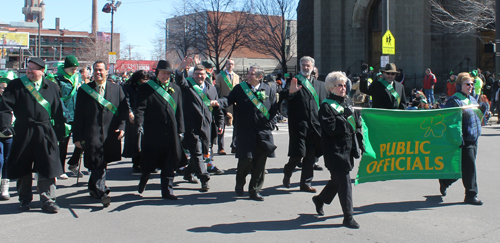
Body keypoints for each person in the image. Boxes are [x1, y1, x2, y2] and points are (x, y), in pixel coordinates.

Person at [0, 57, 66, 213]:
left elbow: (58, 111)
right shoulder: (16, 85)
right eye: (28, 67)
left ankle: (48, 200)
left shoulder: (51, 87)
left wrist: (60, 133)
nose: (29, 70)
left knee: (47, 166)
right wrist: (5, 126)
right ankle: (24, 199)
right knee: (23, 166)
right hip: (24, 130)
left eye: (33, 68)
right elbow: (4, 107)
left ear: (42, 71)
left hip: (45, 130)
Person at [213, 65, 278, 201]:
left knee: (260, 163)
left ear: (260, 77)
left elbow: (273, 109)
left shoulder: (268, 89)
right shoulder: (240, 88)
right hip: (245, 131)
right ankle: (240, 182)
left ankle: (254, 190)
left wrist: (271, 124)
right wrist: (219, 102)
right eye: (248, 73)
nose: (248, 76)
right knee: (246, 160)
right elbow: (228, 99)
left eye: (252, 74)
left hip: (263, 132)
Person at [73, 61, 128, 207]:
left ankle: (93, 187)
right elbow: (78, 115)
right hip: (92, 133)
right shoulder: (84, 90)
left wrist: (122, 127)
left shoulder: (117, 89)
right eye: (96, 70)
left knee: (102, 161)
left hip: (111, 133)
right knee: (98, 162)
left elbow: (123, 110)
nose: (98, 72)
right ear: (93, 72)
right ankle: (102, 190)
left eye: (101, 70)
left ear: (106, 71)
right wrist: (77, 136)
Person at [311, 71, 362, 229]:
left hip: (347, 148)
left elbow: (356, 124)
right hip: (335, 151)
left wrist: (359, 135)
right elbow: (331, 129)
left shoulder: (346, 101)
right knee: (345, 183)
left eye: (344, 85)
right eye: (338, 85)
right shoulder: (326, 106)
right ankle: (348, 216)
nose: (343, 88)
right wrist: (345, 120)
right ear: (331, 88)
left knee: (337, 181)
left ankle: (320, 200)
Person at [135, 60, 185, 200]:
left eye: (168, 73)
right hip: (153, 133)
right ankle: (144, 178)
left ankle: (167, 191)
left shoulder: (176, 89)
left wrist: (180, 130)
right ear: (157, 73)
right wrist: (139, 124)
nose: (166, 76)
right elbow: (140, 109)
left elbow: (179, 111)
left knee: (169, 163)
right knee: (149, 162)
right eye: (163, 73)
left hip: (170, 133)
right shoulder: (146, 88)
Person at [175, 57, 224, 192]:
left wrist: (220, 122)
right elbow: (179, 80)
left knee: (201, 153)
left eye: (202, 74)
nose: (199, 76)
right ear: (193, 75)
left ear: (206, 75)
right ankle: (204, 179)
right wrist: (180, 69)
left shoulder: (211, 89)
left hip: (206, 126)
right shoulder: (188, 85)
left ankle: (187, 173)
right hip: (191, 126)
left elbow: (217, 108)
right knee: (196, 152)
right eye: (196, 73)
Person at [282, 56, 328, 193]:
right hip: (298, 125)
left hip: (315, 126)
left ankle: (306, 183)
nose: (305, 67)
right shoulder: (294, 81)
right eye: (303, 65)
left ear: (313, 67)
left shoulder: (320, 85)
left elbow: (324, 105)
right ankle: (288, 171)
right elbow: (283, 98)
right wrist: (290, 92)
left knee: (310, 156)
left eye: (308, 65)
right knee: (298, 154)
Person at [439, 72, 483, 205]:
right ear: (460, 86)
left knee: (462, 168)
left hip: (474, 138)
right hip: (463, 140)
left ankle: (445, 181)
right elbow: (450, 122)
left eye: (472, 84)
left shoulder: (473, 98)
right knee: (470, 169)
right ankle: (471, 195)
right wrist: (457, 138)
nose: (470, 86)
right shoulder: (454, 100)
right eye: (467, 84)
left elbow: (476, 117)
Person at [55, 55, 83, 179]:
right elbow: (57, 99)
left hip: (77, 115)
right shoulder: (57, 79)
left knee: (81, 141)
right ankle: (60, 168)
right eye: (72, 68)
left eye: (76, 68)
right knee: (63, 144)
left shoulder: (77, 78)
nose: (74, 71)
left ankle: (73, 162)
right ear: (66, 67)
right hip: (64, 116)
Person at [122, 70, 149, 175]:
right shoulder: (129, 88)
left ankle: (147, 163)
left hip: (145, 116)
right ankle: (136, 163)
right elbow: (126, 100)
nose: (145, 81)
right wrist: (130, 112)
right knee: (136, 140)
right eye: (143, 79)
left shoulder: (148, 88)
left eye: (147, 79)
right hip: (134, 116)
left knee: (146, 141)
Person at [215, 59, 240, 155]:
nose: (230, 65)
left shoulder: (237, 76)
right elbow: (217, 89)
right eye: (229, 63)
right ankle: (221, 148)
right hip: (224, 104)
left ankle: (234, 145)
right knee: (221, 126)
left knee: (236, 126)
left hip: (234, 104)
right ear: (226, 65)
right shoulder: (220, 76)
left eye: (232, 64)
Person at [0, 77, 13, 200]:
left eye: (5, 87)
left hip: (9, 136)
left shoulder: (12, 99)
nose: (3, 90)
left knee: (8, 161)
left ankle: (5, 187)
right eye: (1, 87)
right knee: (0, 161)